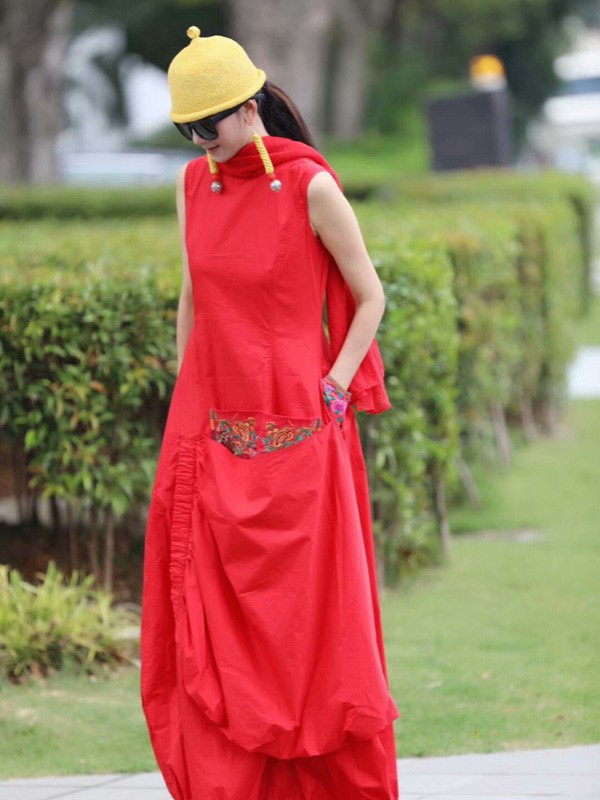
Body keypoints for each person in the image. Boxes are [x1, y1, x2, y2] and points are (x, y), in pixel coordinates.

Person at [140, 25, 400, 800]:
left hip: (301, 430)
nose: (201, 142)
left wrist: (335, 386)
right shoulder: (193, 186)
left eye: (209, 125)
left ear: (249, 108)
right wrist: (188, 395)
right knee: (214, 626)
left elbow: (370, 296)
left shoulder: (312, 186)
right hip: (213, 427)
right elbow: (193, 295)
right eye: (187, 130)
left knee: (308, 631)